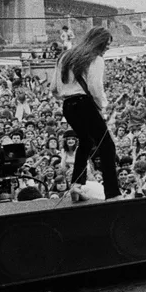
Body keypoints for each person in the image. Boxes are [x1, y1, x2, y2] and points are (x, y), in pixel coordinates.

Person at [50, 27, 120, 200]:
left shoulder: (65, 57)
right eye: (106, 44)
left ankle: (76, 185)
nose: (107, 48)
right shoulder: (95, 59)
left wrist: (69, 94)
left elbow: (54, 88)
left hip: (68, 105)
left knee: (86, 142)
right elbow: (95, 88)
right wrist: (102, 105)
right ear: (99, 43)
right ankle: (113, 193)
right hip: (85, 104)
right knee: (107, 146)